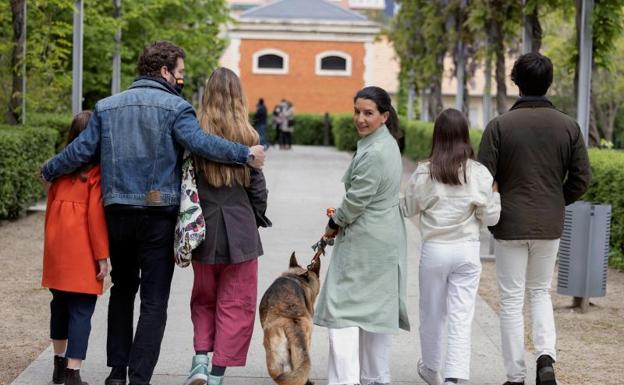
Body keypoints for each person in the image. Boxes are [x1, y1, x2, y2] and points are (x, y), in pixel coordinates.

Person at [40, 41, 266, 385]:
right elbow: (203, 144)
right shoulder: (177, 109)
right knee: (154, 301)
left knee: (122, 291)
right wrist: (244, 154)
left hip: (117, 214)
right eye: (179, 73)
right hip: (159, 215)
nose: (181, 80)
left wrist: (49, 169)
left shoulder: (106, 107)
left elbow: (80, 151)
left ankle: (116, 373)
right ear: (164, 71)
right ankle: (140, 377)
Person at [478, 52, 591, 385]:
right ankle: (546, 359)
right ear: (549, 82)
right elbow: (582, 178)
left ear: (516, 81)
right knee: (540, 291)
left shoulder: (499, 126)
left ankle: (515, 376)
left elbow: (483, 179)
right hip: (549, 223)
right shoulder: (569, 126)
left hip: (509, 223)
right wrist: (557, 200)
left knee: (512, 299)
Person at [314, 86, 409, 385]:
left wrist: (333, 224)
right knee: (375, 319)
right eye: (357, 111)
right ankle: (376, 379)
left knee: (342, 313)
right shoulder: (384, 143)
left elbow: (356, 200)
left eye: (368, 113)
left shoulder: (376, 151)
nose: (360, 119)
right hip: (382, 239)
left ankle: (345, 381)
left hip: (366, 241)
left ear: (384, 116)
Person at [401, 109, 501, 385]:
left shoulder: (425, 171)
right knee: (461, 315)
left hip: (435, 248)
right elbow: (491, 217)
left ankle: (431, 368)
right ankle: (455, 377)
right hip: (467, 250)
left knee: (431, 313)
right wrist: (493, 196)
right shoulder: (479, 173)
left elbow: (408, 207)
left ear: (438, 136)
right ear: (465, 135)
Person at [183, 68, 269, 385]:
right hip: (240, 229)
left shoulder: (194, 135)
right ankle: (218, 374)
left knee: (203, 298)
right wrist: (255, 216)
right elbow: (258, 191)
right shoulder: (249, 139)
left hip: (202, 228)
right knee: (236, 302)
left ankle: (200, 361)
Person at [42, 111, 110, 385]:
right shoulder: (95, 175)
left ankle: (58, 366)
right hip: (82, 254)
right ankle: (73, 372)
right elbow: (95, 219)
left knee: (59, 307)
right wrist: (102, 256)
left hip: (58, 252)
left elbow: (49, 215)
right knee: (81, 312)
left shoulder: (58, 175)